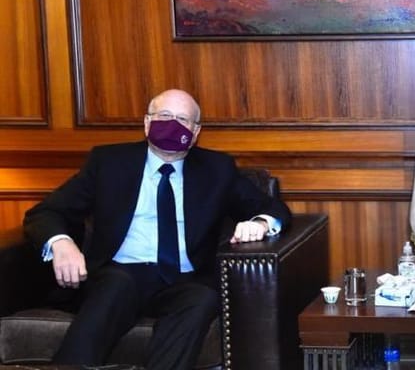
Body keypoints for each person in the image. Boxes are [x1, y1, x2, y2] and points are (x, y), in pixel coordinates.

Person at [23, 89, 291, 370]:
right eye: (164, 116)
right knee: (117, 285)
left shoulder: (217, 168)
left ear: (196, 132)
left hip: (184, 279)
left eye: (183, 119)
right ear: (147, 122)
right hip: (119, 274)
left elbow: (273, 208)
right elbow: (46, 212)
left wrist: (260, 224)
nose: (173, 124)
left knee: (202, 298)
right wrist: (61, 243)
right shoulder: (109, 163)